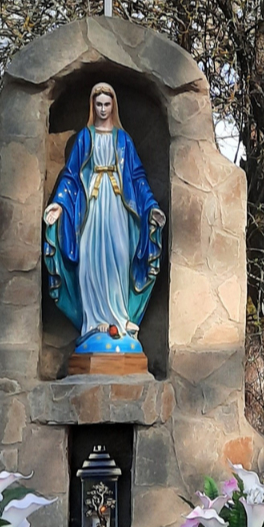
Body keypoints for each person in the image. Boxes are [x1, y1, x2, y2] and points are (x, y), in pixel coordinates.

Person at [42, 83, 166, 352]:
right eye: (98, 104)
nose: (102, 109)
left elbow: (137, 177)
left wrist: (150, 206)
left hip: (118, 206)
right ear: (92, 106)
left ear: (113, 106)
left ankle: (120, 318)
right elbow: (71, 177)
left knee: (120, 256)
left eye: (106, 104)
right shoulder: (85, 138)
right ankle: (93, 321)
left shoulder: (124, 140)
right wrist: (59, 205)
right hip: (91, 207)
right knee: (91, 258)